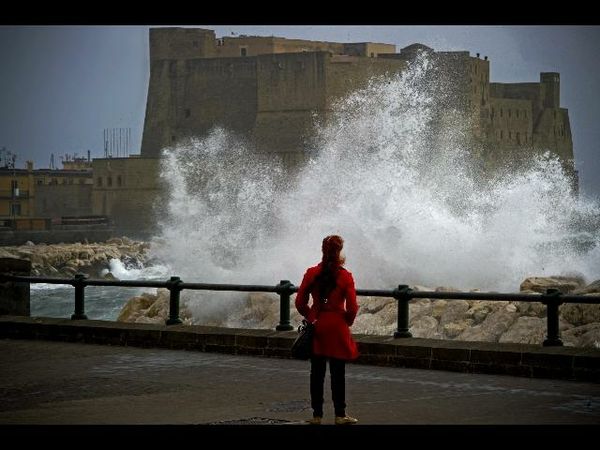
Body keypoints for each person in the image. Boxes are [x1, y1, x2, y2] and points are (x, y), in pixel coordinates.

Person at [295, 234, 359, 425]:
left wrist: (311, 315)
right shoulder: (345, 276)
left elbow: (299, 302)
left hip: (318, 325)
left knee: (317, 373)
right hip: (337, 326)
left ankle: (317, 415)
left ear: (323, 250)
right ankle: (340, 414)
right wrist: (346, 321)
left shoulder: (312, 273)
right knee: (338, 373)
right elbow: (353, 307)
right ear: (339, 252)